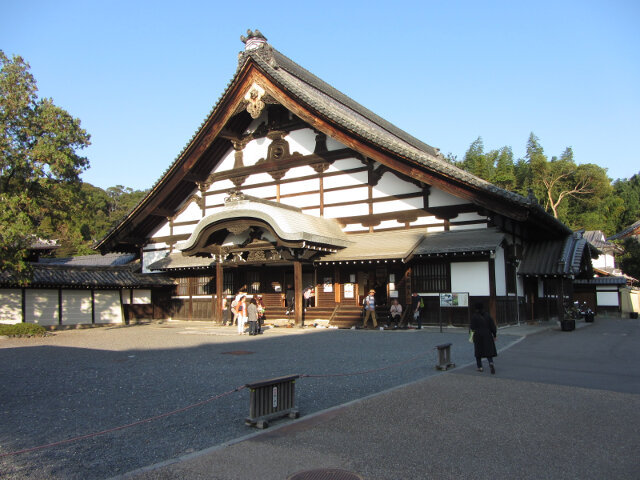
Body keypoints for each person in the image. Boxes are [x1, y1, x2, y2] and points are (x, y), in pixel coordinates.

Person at [470, 302, 497, 373]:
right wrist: (494, 335)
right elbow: (493, 326)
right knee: (488, 350)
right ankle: (490, 362)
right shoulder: (488, 315)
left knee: (478, 351)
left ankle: (480, 367)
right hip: (487, 334)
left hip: (478, 334)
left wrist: (471, 336)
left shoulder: (474, 316)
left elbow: (472, 327)